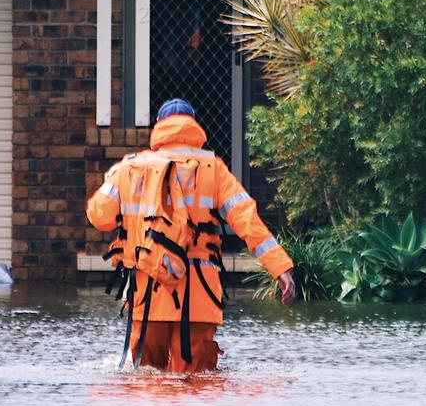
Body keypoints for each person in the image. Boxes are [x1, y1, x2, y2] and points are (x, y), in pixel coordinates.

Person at [86, 98, 296, 373]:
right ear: (194, 125)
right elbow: (246, 219)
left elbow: (98, 217)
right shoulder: (213, 168)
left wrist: (116, 182)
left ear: (158, 127)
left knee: (146, 380)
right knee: (197, 380)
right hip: (199, 295)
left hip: (149, 291)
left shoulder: (130, 168)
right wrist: (280, 268)